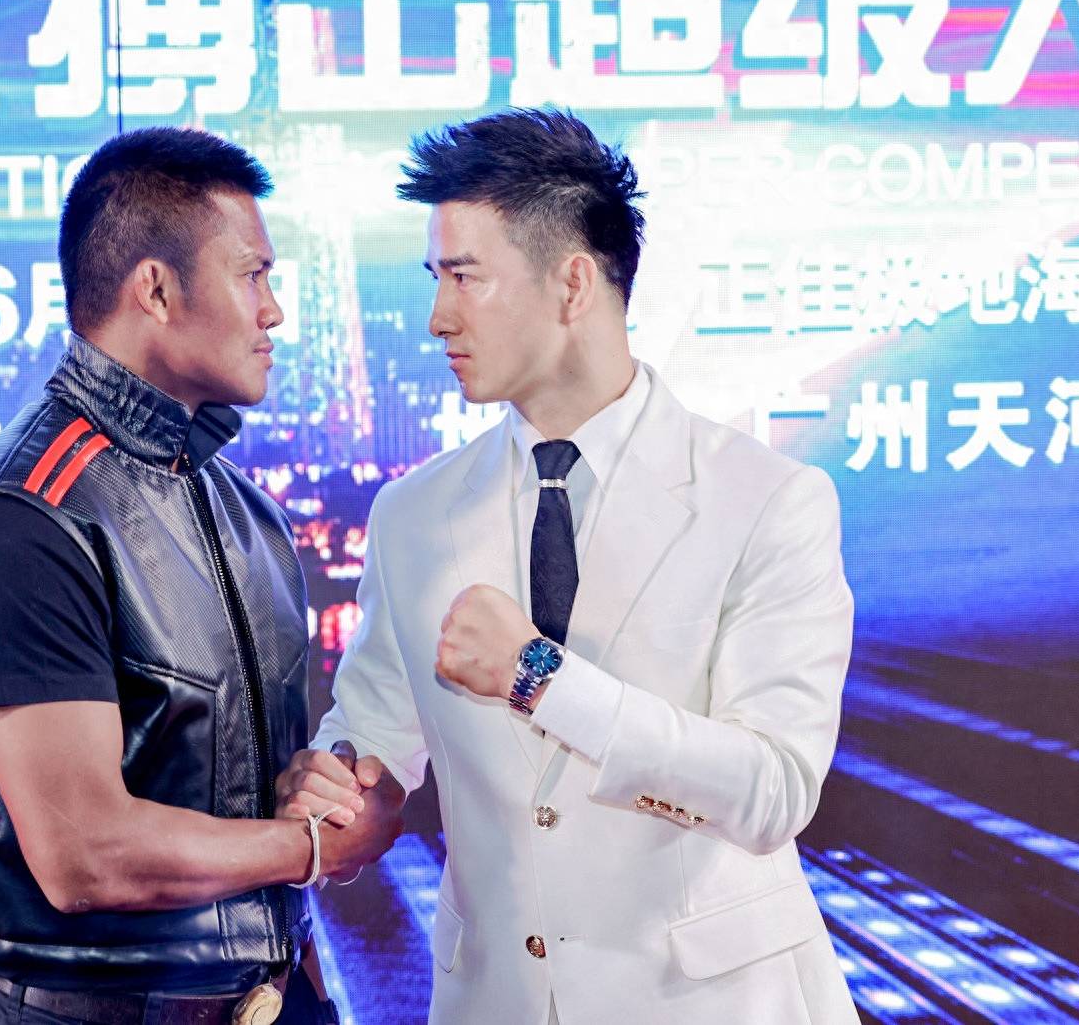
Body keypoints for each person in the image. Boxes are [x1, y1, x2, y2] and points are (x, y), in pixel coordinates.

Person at [276, 109, 859, 1024]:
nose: (437, 318)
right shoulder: (414, 514)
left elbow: (773, 787)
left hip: (713, 1002)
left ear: (573, 283)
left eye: (465, 277)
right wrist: (339, 785)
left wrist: (540, 678)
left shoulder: (767, 499)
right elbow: (375, 738)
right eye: (435, 279)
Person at [0, 126, 402, 1025]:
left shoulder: (247, 513)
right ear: (157, 289)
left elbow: (254, 804)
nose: (274, 311)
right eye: (253, 275)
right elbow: (85, 854)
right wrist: (311, 846)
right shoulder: (20, 518)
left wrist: (324, 809)